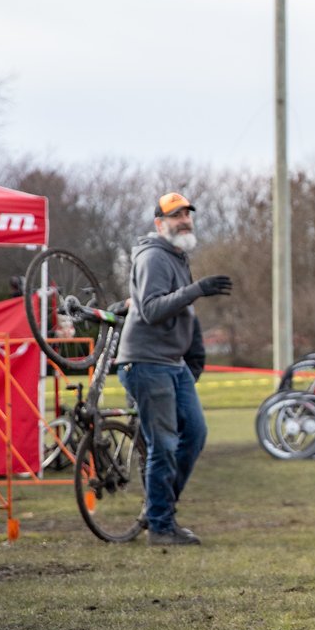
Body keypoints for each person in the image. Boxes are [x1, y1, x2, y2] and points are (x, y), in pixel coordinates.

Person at [116, 193, 232, 546]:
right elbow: (151, 310)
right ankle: (161, 526)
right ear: (159, 223)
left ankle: (160, 510)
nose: (184, 220)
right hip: (146, 362)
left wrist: (195, 356)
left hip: (173, 363)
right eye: (175, 215)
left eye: (186, 214)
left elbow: (185, 312)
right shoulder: (154, 256)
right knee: (164, 444)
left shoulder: (178, 257)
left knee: (194, 434)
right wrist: (196, 290)